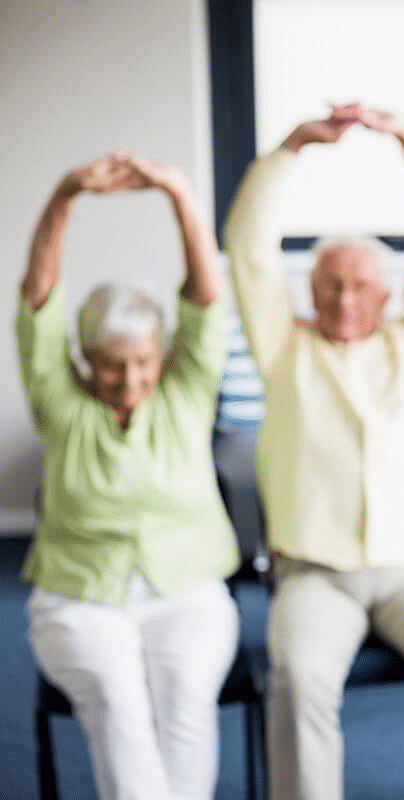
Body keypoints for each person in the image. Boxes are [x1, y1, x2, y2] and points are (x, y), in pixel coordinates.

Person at [222, 106, 404, 800]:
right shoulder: (285, 348)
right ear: (310, 290)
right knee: (298, 678)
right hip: (316, 573)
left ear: (386, 294)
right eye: (330, 285)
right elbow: (248, 250)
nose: (346, 298)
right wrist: (289, 150)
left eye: (359, 285)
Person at [17, 152, 240, 800]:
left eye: (143, 361)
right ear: (85, 361)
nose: (131, 379)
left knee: (187, 697)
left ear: (161, 354)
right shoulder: (61, 404)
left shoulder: (186, 392)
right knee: (118, 702)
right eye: (112, 365)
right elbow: (38, 305)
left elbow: (205, 297)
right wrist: (63, 197)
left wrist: (177, 193)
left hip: (188, 590)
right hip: (79, 598)